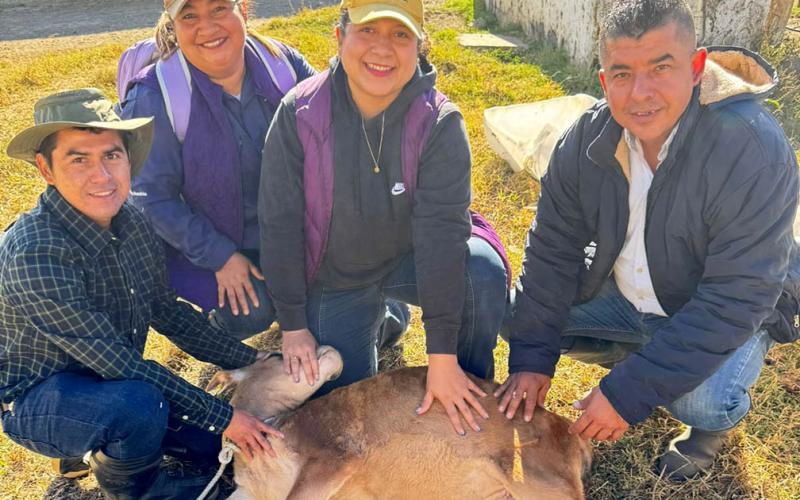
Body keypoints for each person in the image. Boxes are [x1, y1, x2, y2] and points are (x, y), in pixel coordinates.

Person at [496, 0, 798, 482]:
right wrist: (532, 360)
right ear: (604, 81)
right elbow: (552, 252)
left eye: (661, 68)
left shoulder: (750, 147)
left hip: (719, 307)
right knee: (519, 319)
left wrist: (626, 393)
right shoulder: (584, 142)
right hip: (626, 297)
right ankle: (654, 360)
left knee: (702, 398)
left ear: (696, 68)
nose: (640, 94)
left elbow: (737, 296)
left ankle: (706, 430)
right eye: (622, 74)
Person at [1, 88, 281, 499]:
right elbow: (119, 362)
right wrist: (225, 416)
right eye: (78, 159)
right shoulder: (36, 252)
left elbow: (166, 311)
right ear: (46, 169)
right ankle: (136, 488)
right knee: (141, 405)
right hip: (38, 397)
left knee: (211, 442)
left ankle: (122, 444)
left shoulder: (131, 221)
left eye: (111, 155)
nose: (102, 175)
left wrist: (250, 360)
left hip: (110, 380)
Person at [259, 0, 511, 436]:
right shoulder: (300, 113)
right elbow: (278, 224)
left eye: (400, 35)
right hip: (335, 278)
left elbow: (441, 240)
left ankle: (468, 389)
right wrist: (294, 324)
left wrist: (442, 356)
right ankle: (383, 318)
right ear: (340, 37)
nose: (383, 48)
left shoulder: (439, 121)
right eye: (367, 31)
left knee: (481, 273)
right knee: (345, 418)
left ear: (419, 46)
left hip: (409, 260)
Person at [119, 0, 318, 340]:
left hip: (288, 232)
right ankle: (211, 334)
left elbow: (337, 127)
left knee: (359, 317)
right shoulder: (155, 95)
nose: (207, 27)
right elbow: (149, 199)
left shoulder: (282, 64)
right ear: (173, 24)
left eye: (219, 9)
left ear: (244, 10)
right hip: (203, 245)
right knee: (251, 309)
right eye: (189, 15)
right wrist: (220, 256)